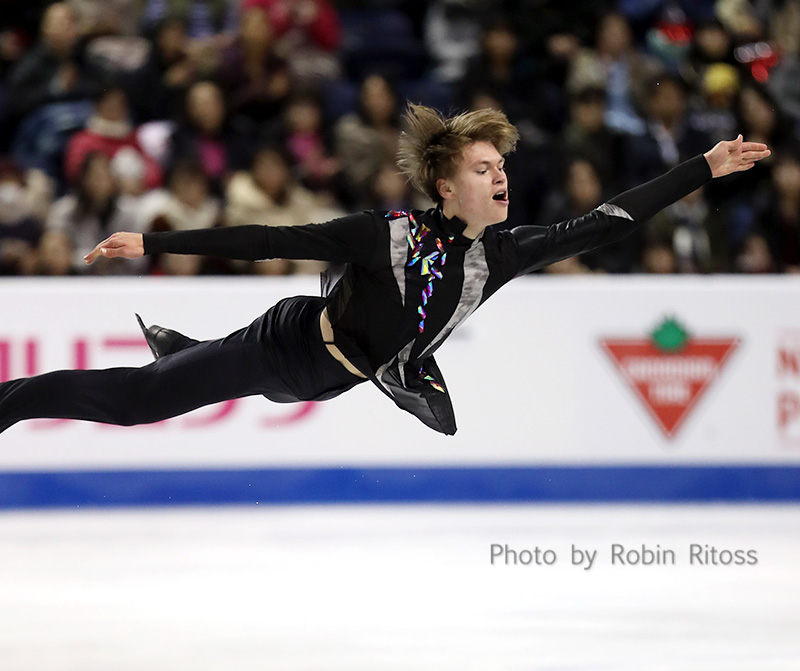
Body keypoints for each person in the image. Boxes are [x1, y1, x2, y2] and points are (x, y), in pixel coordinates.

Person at [0, 104, 770, 437]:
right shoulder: (386, 235)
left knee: (278, 382)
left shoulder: (503, 253)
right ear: (445, 186)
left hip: (339, 377)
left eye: (502, 166)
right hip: (288, 347)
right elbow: (271, 238)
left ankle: (193, 352)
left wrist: (702, 166)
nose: (500, 176)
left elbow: (606, 221)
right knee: (138, 403)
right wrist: (154, 244)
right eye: (482, 168)